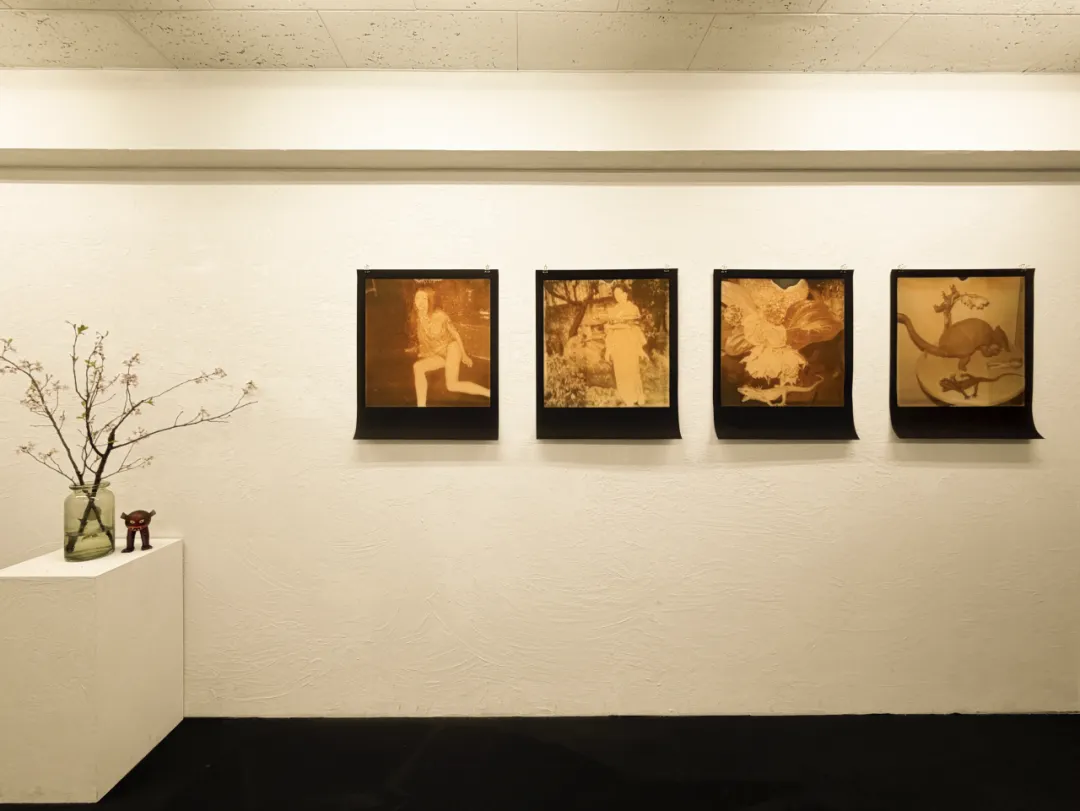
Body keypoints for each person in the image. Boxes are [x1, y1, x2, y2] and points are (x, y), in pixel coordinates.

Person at [410, 287, 490, 407]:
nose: (420, 302)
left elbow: (455, 334)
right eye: (417, 298)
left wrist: (464, 355)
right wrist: (421, 350)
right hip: (438, 353)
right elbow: (425, 339)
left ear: (430, 301)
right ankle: (421, 406)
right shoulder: (417, 319)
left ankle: (489, 393)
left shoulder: (440, 315)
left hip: (451, 348)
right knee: (418, 367)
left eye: (424, 299)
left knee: (452, 386)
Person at [603, 284, 649, 406]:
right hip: (617, 344)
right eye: (615, 294)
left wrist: (612, 326)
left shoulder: (632, 308)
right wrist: (608, 349)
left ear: (625, 294)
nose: (617, 296)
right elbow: (608, 330)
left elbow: (631, 326)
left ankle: (638, 395)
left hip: (629, 342)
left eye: (619, 293)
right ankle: (628, 398)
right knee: (621, 372)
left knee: (633, 370)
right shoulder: (613, 310)